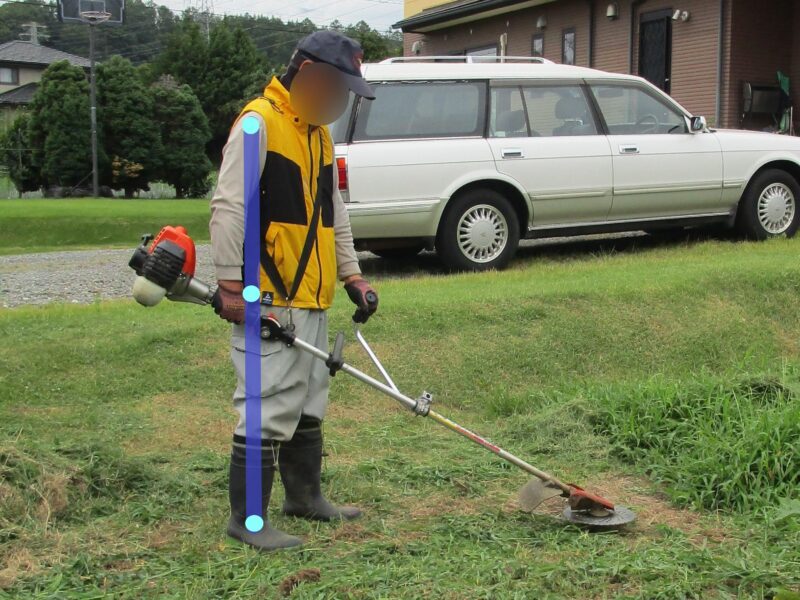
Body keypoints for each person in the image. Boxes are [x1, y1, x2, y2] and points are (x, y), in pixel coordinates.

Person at [209, 30, 379, 552]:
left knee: (309, 400)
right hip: (269, 295)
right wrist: (231, 286)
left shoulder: (319, 137)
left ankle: (305, 498)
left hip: (313, 295)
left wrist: (352, 274)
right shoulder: (259, 124)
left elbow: (335, 214)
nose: (342, 101)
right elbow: (229, 208)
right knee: (266, 404)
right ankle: (248, 522)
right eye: (337, 88)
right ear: (308, 76)